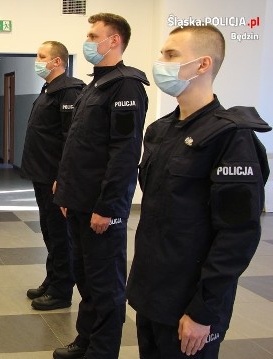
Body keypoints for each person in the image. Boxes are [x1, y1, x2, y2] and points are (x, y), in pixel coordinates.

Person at [126, 25, 270, 358]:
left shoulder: (232, 138)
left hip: (191, 303)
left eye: (171, 55)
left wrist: (204, 311)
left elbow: (237, 235)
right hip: (152, 293)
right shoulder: (160, 130)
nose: (160, 62)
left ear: (203, 65)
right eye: (162, 53)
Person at [52, 13, 149, 359]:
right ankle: (85, 340)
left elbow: (124, 153)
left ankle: (102, 350)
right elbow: (78, 145)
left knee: (106, 284)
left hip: (101, 208)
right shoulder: (95, 84)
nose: (89, 40)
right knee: (85, 277)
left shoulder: (126, 86)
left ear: (114, 41)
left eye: (94, 35)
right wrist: (65, 191)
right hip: (78, 201)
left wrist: (109, 206)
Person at [21, 41, 84, 311]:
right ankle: (53, 278)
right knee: (49, 230)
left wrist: (63, 175)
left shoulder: (69, 91)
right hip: (42, 174)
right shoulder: (49, 89)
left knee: (60, 234)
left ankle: (61, 290)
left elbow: (71, 138)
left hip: (54, 177)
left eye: (41, 56)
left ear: (57, 61)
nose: (37, 60)